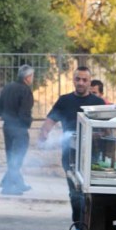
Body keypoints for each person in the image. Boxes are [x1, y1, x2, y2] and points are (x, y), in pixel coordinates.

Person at [38, 66, 105, 218]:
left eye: (84, 80)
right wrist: (43, 135)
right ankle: (78, 224)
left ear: (89, 82)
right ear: (73, 80)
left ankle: (89, 223)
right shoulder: (64, 100)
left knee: (91, 192)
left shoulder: (98, 102)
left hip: (92, 155)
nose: (81, 82)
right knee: (74, 191)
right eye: (78, 79)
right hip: (70, 155)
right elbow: (50, 121)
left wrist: (98, 135)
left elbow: (107, 129)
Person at [0, 65, 36, 195]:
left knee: (11, 156)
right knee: (17, 157)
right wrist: (26, 123)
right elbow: (24, 112)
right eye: (32, 76)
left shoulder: (8, 87)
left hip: (7, 127)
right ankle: (8, 187)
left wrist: (7, 116)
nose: (32, 78)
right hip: (19, 128)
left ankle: (17, 183)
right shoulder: (25, 91)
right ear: (27, 77)